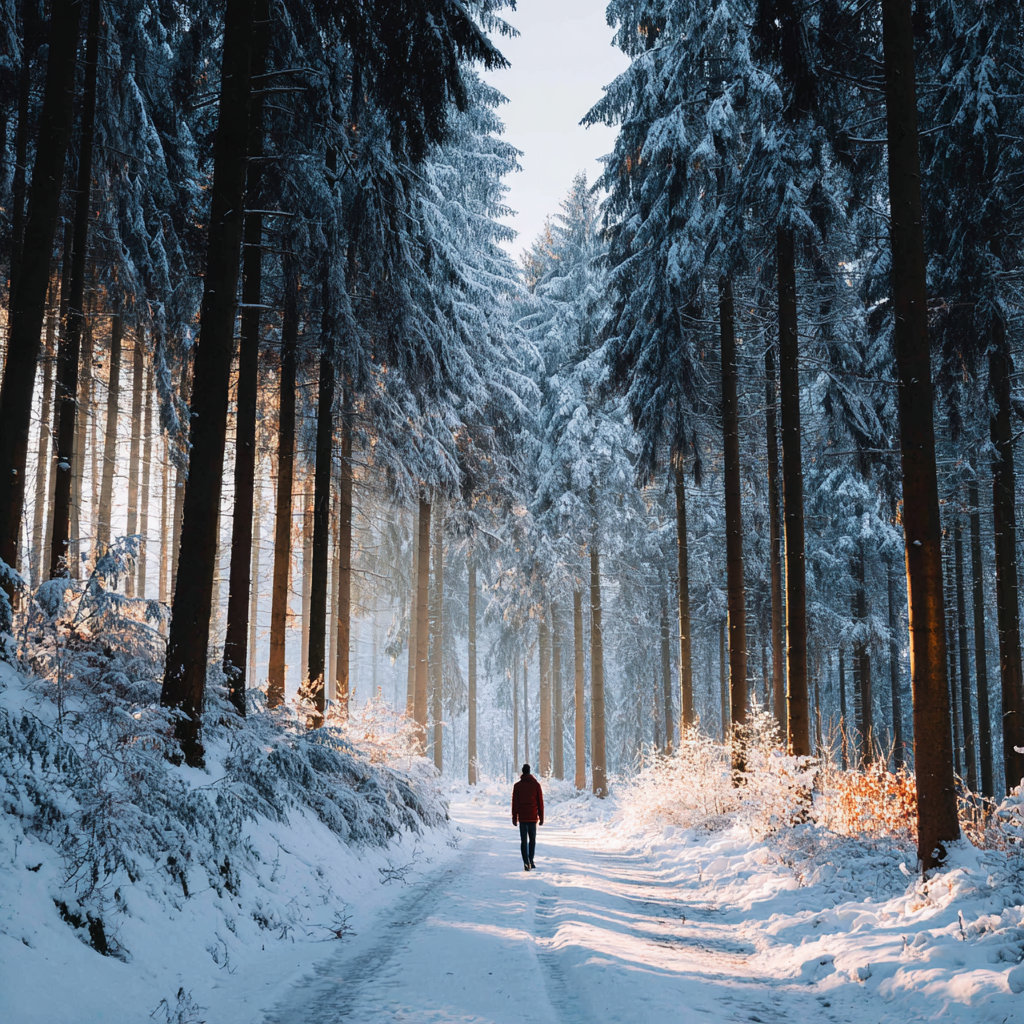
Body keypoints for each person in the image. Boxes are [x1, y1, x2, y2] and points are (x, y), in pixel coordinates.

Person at [511, 763, 544, 870]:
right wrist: (541, 817)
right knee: (532, 840)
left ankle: (526, 862)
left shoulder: (517, 786)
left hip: (522, 817)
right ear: (529, 772)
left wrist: (514, 817)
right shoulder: (536, 785)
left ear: (522, 772)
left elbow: (515, 803)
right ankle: (531, 860)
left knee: (523, 841)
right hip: (533, 816)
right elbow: (540, 803)